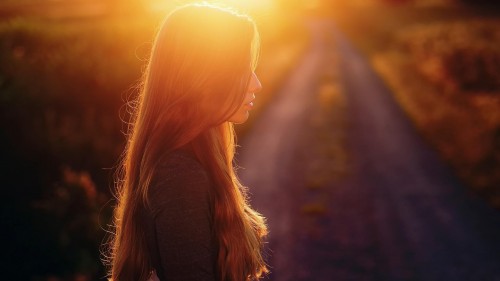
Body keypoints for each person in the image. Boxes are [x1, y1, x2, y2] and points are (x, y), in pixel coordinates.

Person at [106, 2, 268, 281]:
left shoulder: (197, 158)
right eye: (242, 69)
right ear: (204, 77)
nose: (256, 83)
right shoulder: (179, 175)